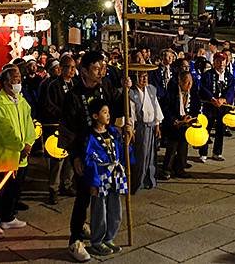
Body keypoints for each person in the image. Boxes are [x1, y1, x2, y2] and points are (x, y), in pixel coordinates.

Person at [60, 51, 131, 262]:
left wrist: (126, 91)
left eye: (102, 67)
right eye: (96, 68)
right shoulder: (73, 95)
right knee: (83, 196)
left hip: (106, 152)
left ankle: (105, 236)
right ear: (84, 71)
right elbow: (68, 129)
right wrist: (75, 157)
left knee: (108, 195)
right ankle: (75, 240)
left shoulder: (105, 86)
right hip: (85, 153)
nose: (101, 71)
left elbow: (117, 108)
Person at [0, 66, 36, 240]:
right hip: (6, 156)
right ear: (4, 83)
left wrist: (29, 143)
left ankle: (8, 217)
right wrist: (21, 146)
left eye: (19, 78)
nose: (18, 82)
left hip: (22, 156)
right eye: (14, 79)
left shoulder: (22, 101)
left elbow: (30, 124)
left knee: (14, 190)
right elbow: (4, 131)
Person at [83, 99, 126, 256]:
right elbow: (89, 160)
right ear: (95, 116)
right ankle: (97, 241)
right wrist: (93, 182)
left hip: (115, 175)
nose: (108, 115)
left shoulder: (113, 132)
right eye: (104, 112)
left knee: (115, 208)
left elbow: (122, 150)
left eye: (108, 112)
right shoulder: (91, 137)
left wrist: (126, 137)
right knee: (99, 210)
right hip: (100, 177)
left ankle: (110, 237)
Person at [42, 55, 76, 205]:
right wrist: (63, 114)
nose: (72, 70)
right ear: (62, 68)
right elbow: (49, 105)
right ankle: (53, 189)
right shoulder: (53, 85)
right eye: (69, 67)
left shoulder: (75, 84)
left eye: (74, 67)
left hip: (71, 127)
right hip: (58, 126)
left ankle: (66, 184)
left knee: (70, 158)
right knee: (58, 160)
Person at [161, 71, 200, 179]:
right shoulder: (172, 92)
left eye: (190, 82)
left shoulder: (193, 92)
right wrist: (175, 120)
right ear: (180, 82)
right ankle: (166, 169)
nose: (189, 85)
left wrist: (191, 117)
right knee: (172, 147)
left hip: (187, 122)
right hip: (175, 123)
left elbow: (196, 106)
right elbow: (166, 108)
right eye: (186, 82)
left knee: (183, 146)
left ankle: (180, 168)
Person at [129, 69, 163, 192]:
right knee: (141, 155)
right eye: (141, 77)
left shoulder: (151, 89)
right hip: (140, 127)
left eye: (146, 76)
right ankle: (138, 182)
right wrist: (131, 130)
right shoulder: (132, 93)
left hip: (152, 126)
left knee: (151, 155)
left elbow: (156, 107)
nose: (144, 79)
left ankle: (150, 180)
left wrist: (158, 124)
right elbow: (131, 113)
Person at [199, 52, 235, 162]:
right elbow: (203, 88)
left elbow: (231, 90)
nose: (220, 63)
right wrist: (212, 98)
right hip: (210, 105)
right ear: (214, 62)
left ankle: (217, 152)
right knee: (206, 129)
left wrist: (224, 99)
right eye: (218, 61)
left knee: (221, 130)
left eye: (223, 61)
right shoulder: (207, 75)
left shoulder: (229, 76)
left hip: (223, 107)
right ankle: (203, 152)